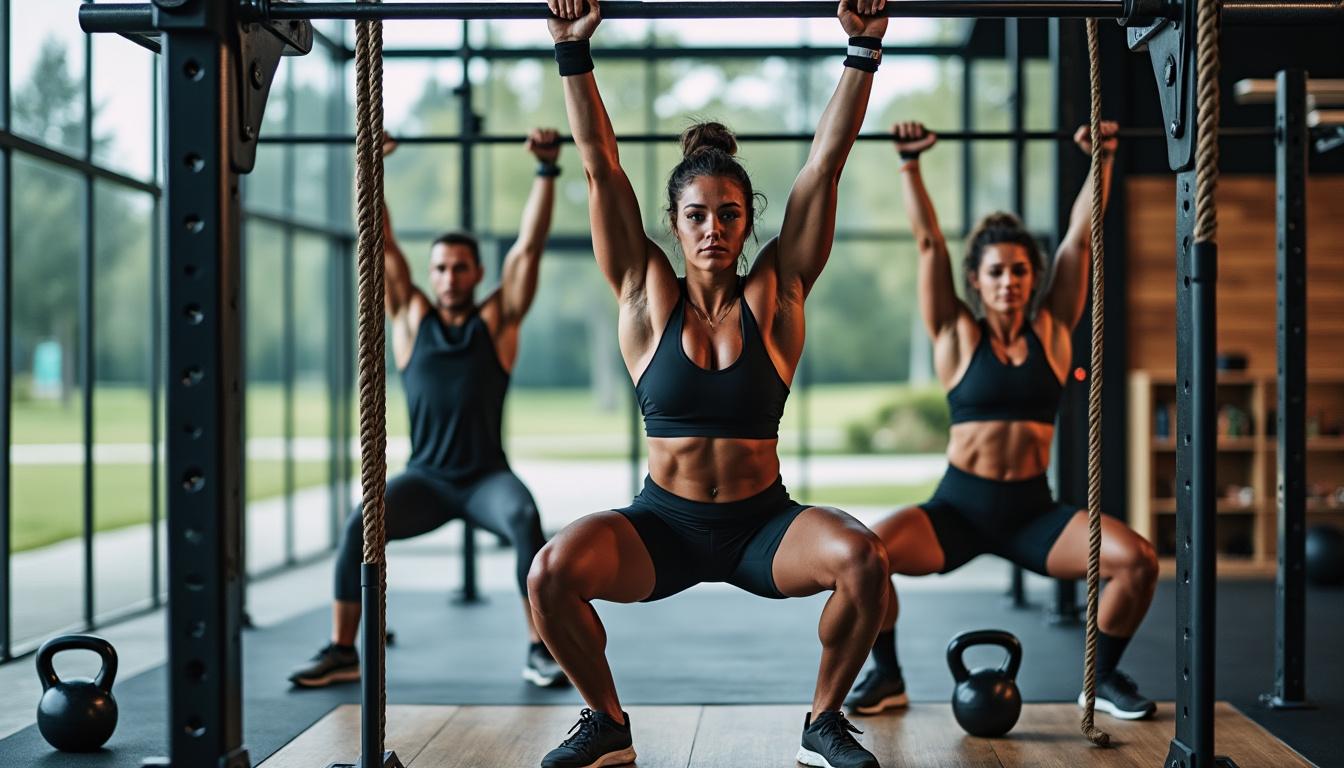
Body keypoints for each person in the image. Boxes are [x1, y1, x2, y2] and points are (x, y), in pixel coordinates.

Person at [528, 2, 894, 767]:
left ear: (747, 220)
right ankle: (606, 724)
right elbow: (601, 164)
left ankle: (823, 723)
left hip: (764, 529)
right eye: (697, 215)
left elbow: (826, 162)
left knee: (864, 558)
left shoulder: (779, 296)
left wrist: (862, 49)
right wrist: (571, 50)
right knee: (551, 573)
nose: (713, 229)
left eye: (729, 214)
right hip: (663, 528)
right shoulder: (642, 295)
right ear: (673, 220)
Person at [843, 120, 1159, 721]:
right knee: (866, 555)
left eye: (1019, 271)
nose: (1009, 282)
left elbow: (1080, 240)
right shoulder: (957, 335)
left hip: (1032, 514)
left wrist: (1102, 160)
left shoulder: (1052, 330)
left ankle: (1104, 677)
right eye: (996, 273)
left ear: (1034, 278)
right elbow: (930, 244)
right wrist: (909, 164)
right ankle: (886, 675)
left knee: (1138, 561)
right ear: (976, 282)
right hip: (957, 510)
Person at [288, 128, 569, 691]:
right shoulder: (412, 318)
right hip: (429, 480)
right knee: (359, 524)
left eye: (460, 267)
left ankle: (541, 648)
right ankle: (345, 650)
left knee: (523, 519)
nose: (448, 277)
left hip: (486, 478)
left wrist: (545, 170)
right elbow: (379, 244)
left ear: (477, 273)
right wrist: (372, 166)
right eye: (439, 267)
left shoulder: (498, 322)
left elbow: (528, 249)